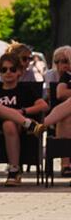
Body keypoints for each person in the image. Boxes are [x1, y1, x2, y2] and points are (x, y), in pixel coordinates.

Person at [0, 52, 47, 187]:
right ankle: (29, 124)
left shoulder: (25, 89)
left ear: (19, 71)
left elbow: (43, 105)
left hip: (14, 127)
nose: (8, 73)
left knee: (8, 124)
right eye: (4, 69)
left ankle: (14, 170)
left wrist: (22, 112)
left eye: (12, 69)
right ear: (0, 72)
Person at [42, 46, 71, 176]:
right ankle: (66, 165)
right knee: (65, 118)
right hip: (60, 116)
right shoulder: (51, 75)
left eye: (64, 61)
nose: (60, 65)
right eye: (57, 61)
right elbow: (57, 95)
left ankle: (41, 124)